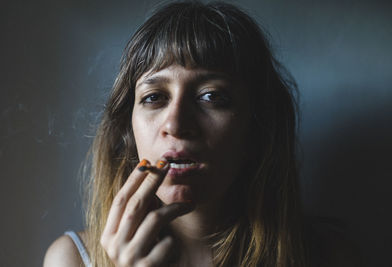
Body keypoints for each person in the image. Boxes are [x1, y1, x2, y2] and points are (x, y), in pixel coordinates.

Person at [43, 1, 359, 266]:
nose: (177, 124)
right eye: (154, 97)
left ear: (257, 126)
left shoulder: (328, 255)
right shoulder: (72, 259)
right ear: (129, 131)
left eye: (211, 96)